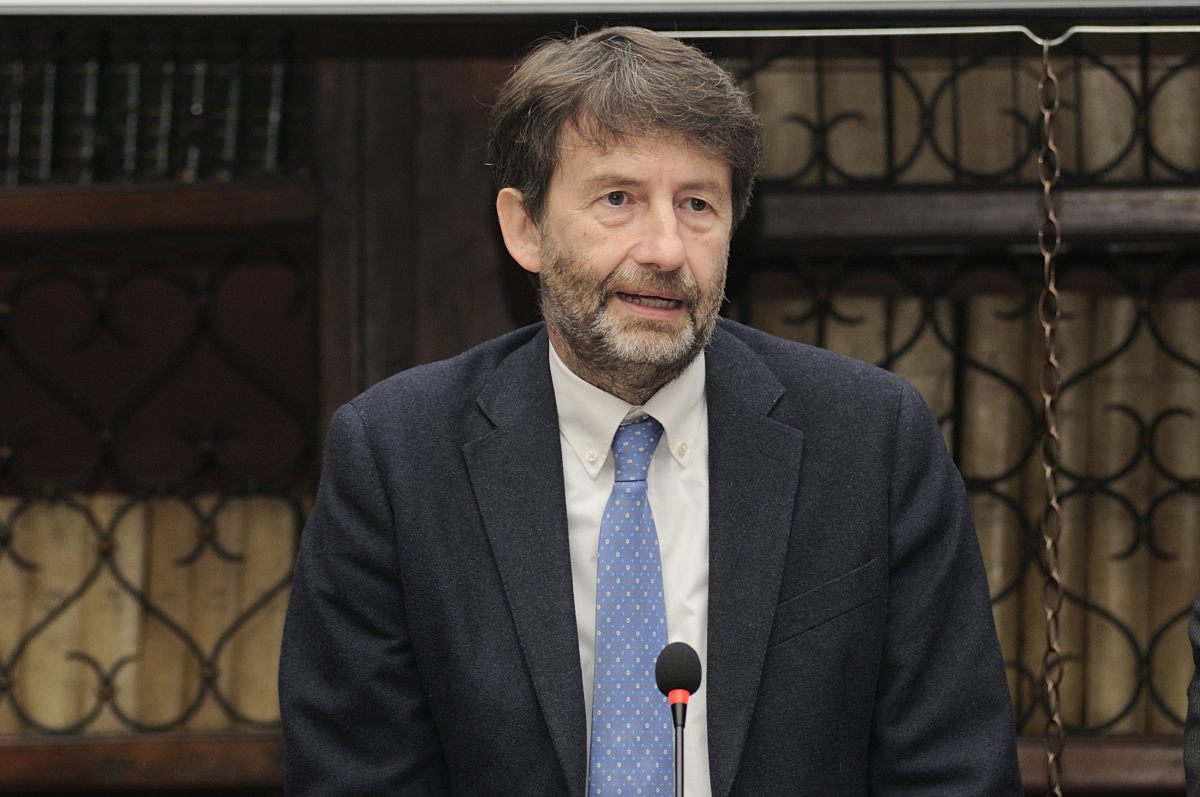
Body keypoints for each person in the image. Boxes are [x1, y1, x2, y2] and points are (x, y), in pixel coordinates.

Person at [278, 25, 1022, 796]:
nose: (665, 249)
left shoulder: (871, 439)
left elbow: (955, 770)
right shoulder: (397, 457)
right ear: (525, 227)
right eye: (618, 199)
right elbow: (355, 773)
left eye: (697, 204)